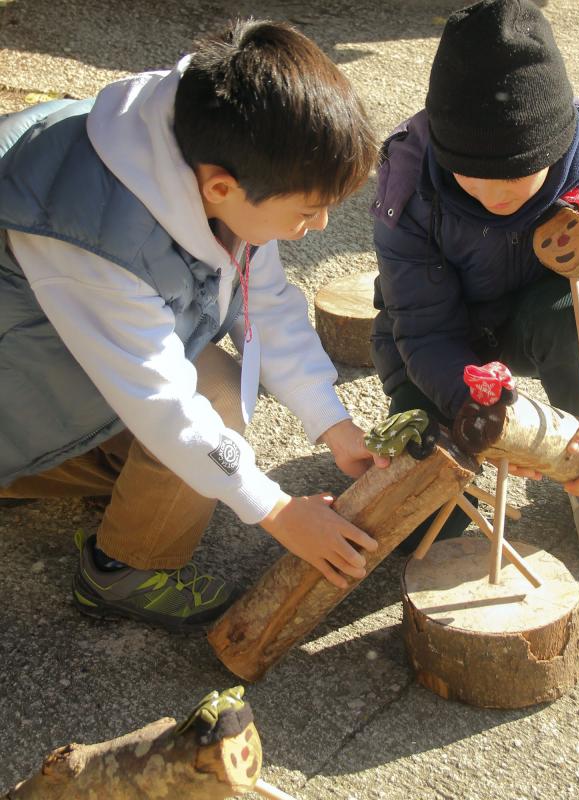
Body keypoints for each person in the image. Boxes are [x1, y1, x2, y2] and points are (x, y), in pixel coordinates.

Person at [0, 18, 390, 632]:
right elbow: (163, 403)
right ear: (220, 186)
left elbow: (266, 302)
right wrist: (279, 511)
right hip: (15, 386)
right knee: (209, 404)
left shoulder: (219, 140)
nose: (316, 229)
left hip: (57, 356)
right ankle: (120, 571)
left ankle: (95, 473)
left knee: (214, 410)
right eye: (307, 212)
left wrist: (334, 425)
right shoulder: (95, 242)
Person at [371, 0, 579, 568]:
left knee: (568, 313)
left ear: (556, 147)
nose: (494, 194)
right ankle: (454, 446)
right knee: (421, 529)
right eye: (470, 176)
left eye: (518, 175)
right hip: (439, 344)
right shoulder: (409, 178)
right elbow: (426, 333)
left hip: (545, 319)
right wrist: (498, 426)